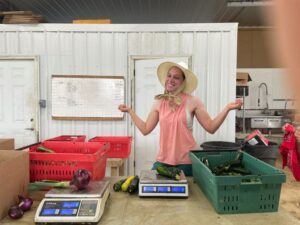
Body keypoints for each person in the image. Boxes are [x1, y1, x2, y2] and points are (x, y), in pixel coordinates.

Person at [118, 61, 242, 176]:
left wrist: (227, 108)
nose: (171, 80)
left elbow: (211, 127)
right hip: (163, 161)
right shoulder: (159, 102)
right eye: (169, 76)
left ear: (183, 82)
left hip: (187, 162)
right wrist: (130, 111)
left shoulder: (193, 101)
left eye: (176, 77)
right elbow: (145, 129)